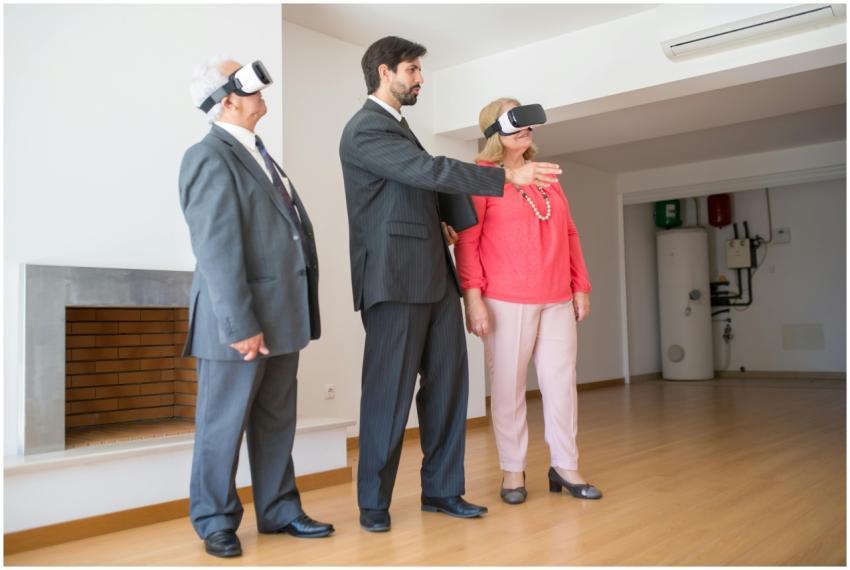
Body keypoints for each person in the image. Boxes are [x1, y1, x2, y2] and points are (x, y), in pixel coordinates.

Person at [339, 37, 563, 532]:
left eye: (420, 70)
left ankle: (442, 491)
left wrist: (450, 225)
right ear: (384, 71)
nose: (420, 78)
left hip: (436, 278)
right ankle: (373, 503)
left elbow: (422, 189)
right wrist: (507, 178)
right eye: (412, 69)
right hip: (394, 281)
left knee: (448, 389)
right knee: (388, 395)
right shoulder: (364, 130)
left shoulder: (398, 128)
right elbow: (425, 170)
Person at [179, 56, 333, 558]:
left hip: (282, 317)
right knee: (222, 425)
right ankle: (215, 520)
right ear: (227, 99)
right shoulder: (208, 156)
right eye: (248, 85)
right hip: (239, 323)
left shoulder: (259, 153)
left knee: (275, 421)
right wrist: (240, 324)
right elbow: (217, 249)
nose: (262, 91)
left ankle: (279, 509)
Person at [454, 97, 603, 505]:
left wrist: (580, 285)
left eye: (529, 125)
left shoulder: (547, 176)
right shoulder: (481, 179)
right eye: (516, 124)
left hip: (556, 297)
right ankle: (513, 471)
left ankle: (565, 467)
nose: (527, 131)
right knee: (508, 388)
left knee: (560, 384)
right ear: (493, 132)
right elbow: (467, 241)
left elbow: (569, 232)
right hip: (505, 299)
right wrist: (474, 299)